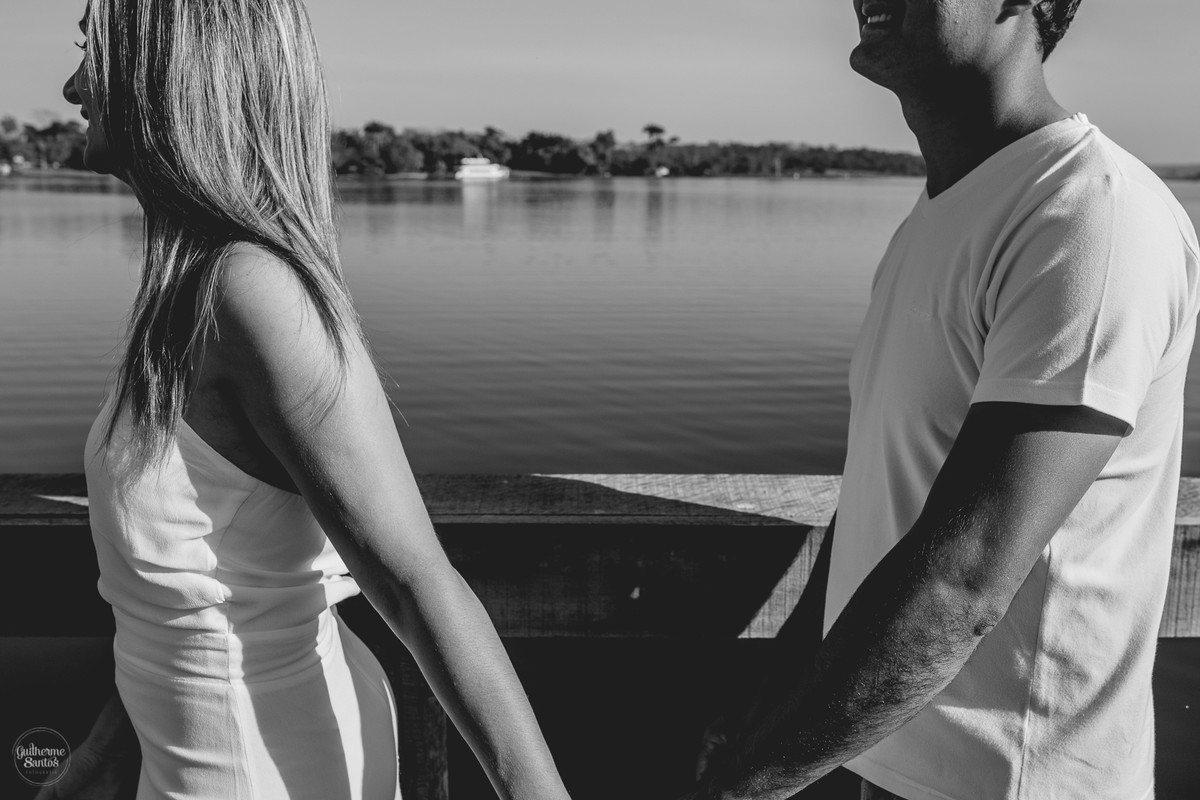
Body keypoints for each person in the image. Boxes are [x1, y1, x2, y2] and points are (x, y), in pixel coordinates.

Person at [47, 2, 573, 799]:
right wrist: (101, 756)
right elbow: (189, 584)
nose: (71, 84)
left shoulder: (252, 293)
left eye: (95, 51)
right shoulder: (185, 288)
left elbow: (413, 580)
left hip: (264, 773)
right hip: (194, 762)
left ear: (166, 71)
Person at [686, 2, 1200, 799]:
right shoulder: (939, 217)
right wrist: (766, 711)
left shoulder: (1089, 214)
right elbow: (880, 504)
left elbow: (964, 584)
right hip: (884, 763)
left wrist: (748, 783)